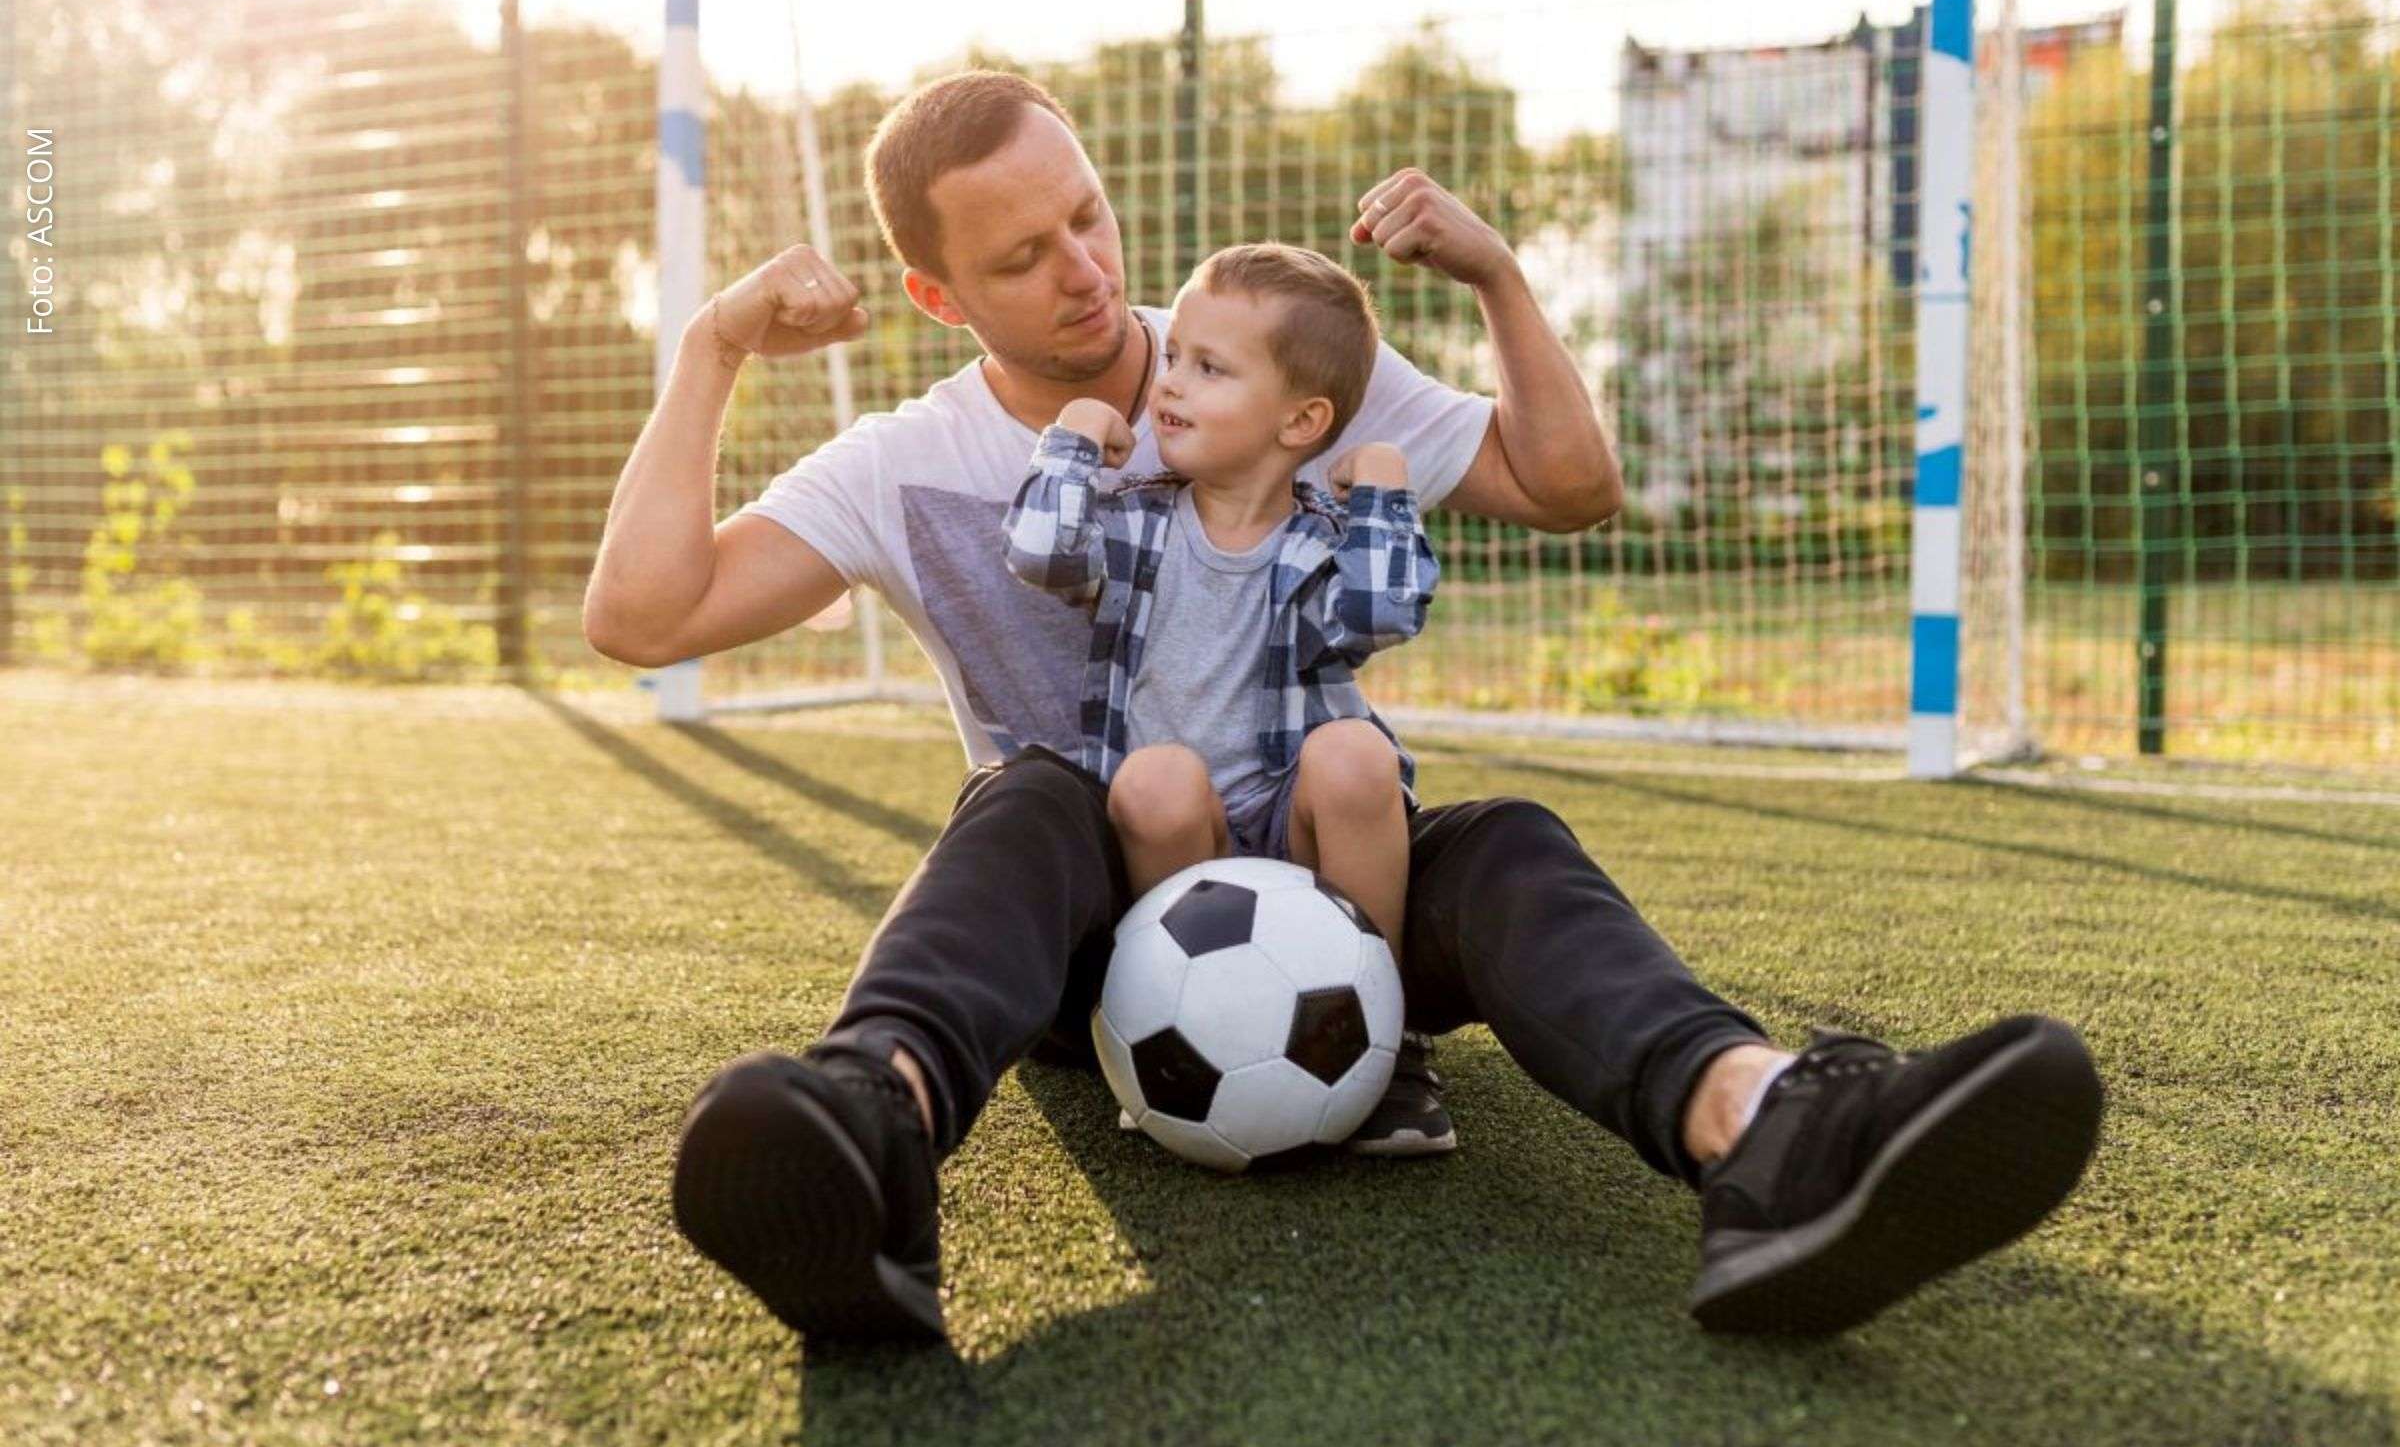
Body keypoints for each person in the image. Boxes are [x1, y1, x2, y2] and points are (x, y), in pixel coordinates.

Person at [583, 71, 2103, 1346]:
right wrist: (715, 344)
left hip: (1335, 895)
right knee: (1031, 794)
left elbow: (1568, 485)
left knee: (1502, 843)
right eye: (1024, 257)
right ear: (938, 295)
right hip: (1090, 931)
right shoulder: (902, 465)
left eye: (1088, 215)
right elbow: (640, 616)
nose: (1086, 269)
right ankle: (869, 1139)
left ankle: (1769, 1133)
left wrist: (1501, 279)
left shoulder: (1262, 357)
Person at [1002, 241, 1450, 1153]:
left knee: (1356, 753)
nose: (1170, 382)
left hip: (1295, 822)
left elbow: (1382, 612)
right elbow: (1040, 554)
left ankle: (1388, 1042)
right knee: (1154, 778)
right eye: (1174, 356)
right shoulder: (1135, 522)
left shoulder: (1322, 542)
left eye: (1210, 368)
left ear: (1301, 421)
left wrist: (1385, 490)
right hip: (1178, 837)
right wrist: (1075, 437)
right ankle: (1180, 1026)